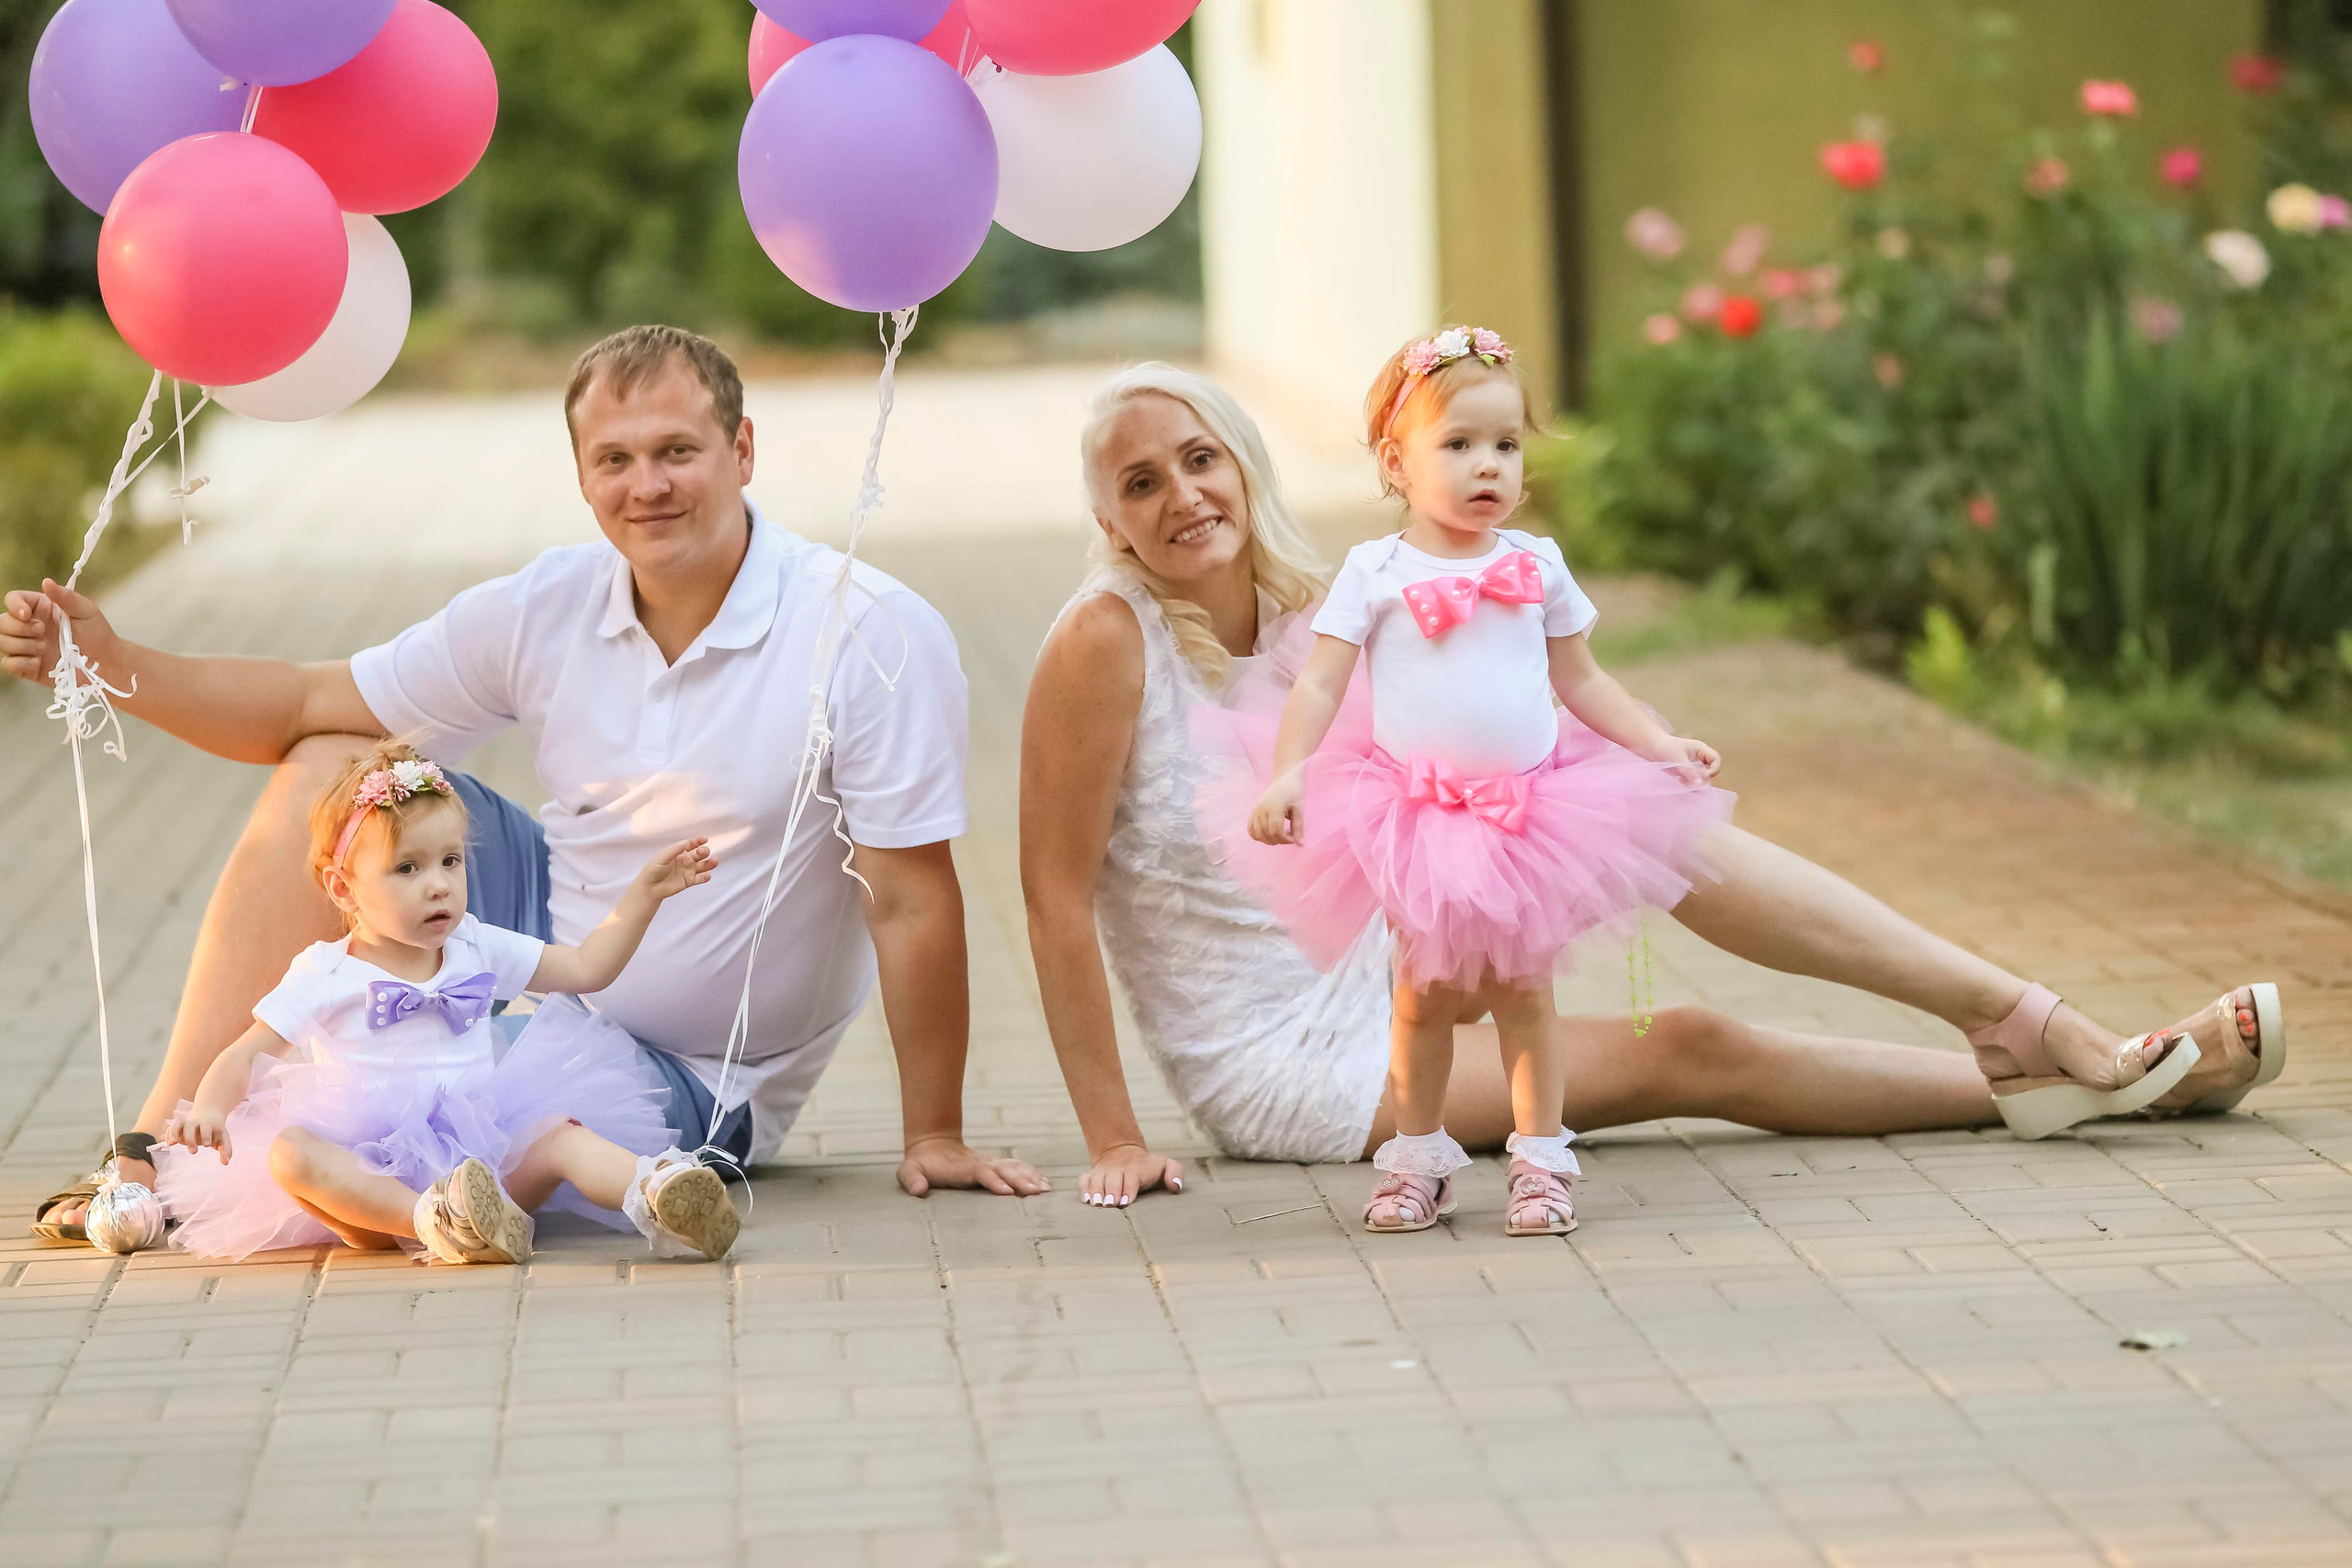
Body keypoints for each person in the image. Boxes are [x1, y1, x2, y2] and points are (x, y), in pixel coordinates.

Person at [1019, 362, 2284, 1211]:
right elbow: (1053, 896)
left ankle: (2028, 1022)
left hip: (1398, 946)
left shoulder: (1318, 608)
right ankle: (2076, 1074)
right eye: (1142, 482)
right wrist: (1115, 1136)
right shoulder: (1103, 640)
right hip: (1291, 1063)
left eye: (1199, 459)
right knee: (1690, 1042)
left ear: (1243, 467)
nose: (1181, 494)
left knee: (1655, 813)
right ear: (1110, 518)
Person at [8, 324, 1046, 1249]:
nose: (649, 486)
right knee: (334, 765)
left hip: (694, 1067)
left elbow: (911, 897)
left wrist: (934, 1132)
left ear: (742, 453)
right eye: (616, 460)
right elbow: (303, 701)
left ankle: (391, 1191)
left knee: (407, 1086)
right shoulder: (549, 603)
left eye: (678, 451)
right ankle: (149, 1146)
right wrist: (109, 664)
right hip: (549, 941)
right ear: (584, 477)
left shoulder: (868, 629)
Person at [1225, 326, 1730, 1237]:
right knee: (1422, 998)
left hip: (1529, 811)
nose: (1485, 465)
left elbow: (1581, 679)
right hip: (1413, 816)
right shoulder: (1375, 572)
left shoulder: (1533, 564)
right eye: (1456, 445)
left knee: (1524, 994)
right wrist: (1288, 771)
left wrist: (1655, 742)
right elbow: (1319, 682)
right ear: (1397, 459)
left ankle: (1540, 1159)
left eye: (1504, 444)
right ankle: (1418, 1156)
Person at [157, 741, 740, 1263]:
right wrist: (210, 1108)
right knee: (289, 1155)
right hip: (375, 1181)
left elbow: (587, 967)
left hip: (488, 1160)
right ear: (343, 887)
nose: (437, 884)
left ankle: (658, 1191)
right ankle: (438, 1220)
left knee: (561, 1132)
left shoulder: (474, 944)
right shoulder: (326, 972)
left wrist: (642, 898)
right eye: (406, 868)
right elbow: (245, 1052)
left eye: (450, 861)